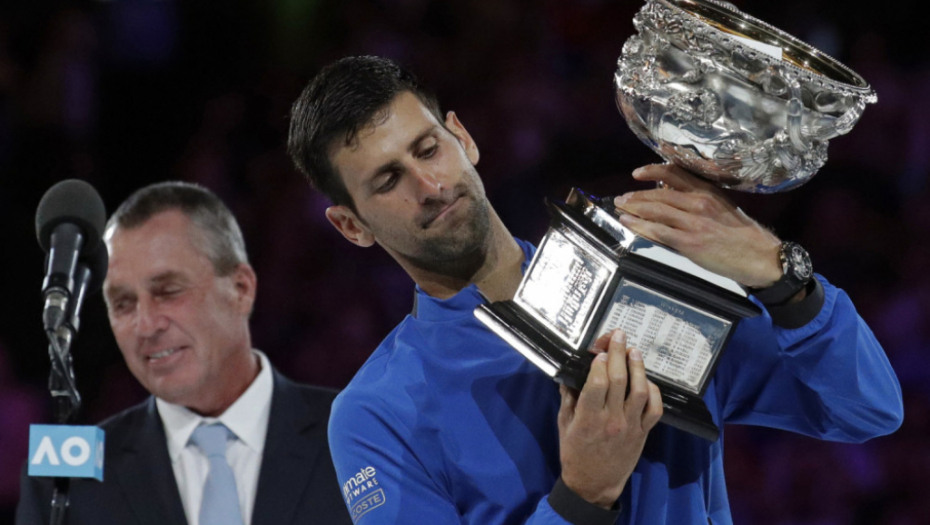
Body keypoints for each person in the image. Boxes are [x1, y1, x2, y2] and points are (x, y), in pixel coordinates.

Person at [286, 56, 903, 525]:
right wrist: (582, 496)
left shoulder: (649, 274)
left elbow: (867, 408)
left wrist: (781, 276)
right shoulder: (374, 414)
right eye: (388, 180)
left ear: (462, 138)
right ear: (352, 226)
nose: (428, 185)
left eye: (428, 149)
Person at [17, 182, 352, 525]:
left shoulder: (358, 433)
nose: (146, 325)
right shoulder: (64, 483)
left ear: (241, 289)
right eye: (123, 303)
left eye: (168, 292)